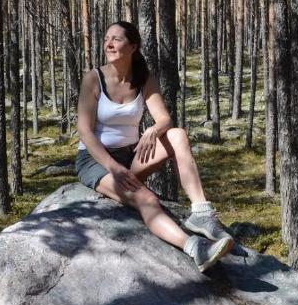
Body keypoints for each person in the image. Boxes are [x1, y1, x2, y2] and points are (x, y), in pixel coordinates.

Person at [75, 21, 233, 272]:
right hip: (97, 162)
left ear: (133, 46)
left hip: (131, 155)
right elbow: (84, 131)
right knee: (147, 198)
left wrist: (153, 130)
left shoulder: (143, 78)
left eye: (116, 39)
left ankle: (201, 212)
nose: (109, 43)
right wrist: (113, 168)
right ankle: (196, 248)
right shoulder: (94, 79)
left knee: (178, 135)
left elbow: (165, 119)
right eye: (107, 38)